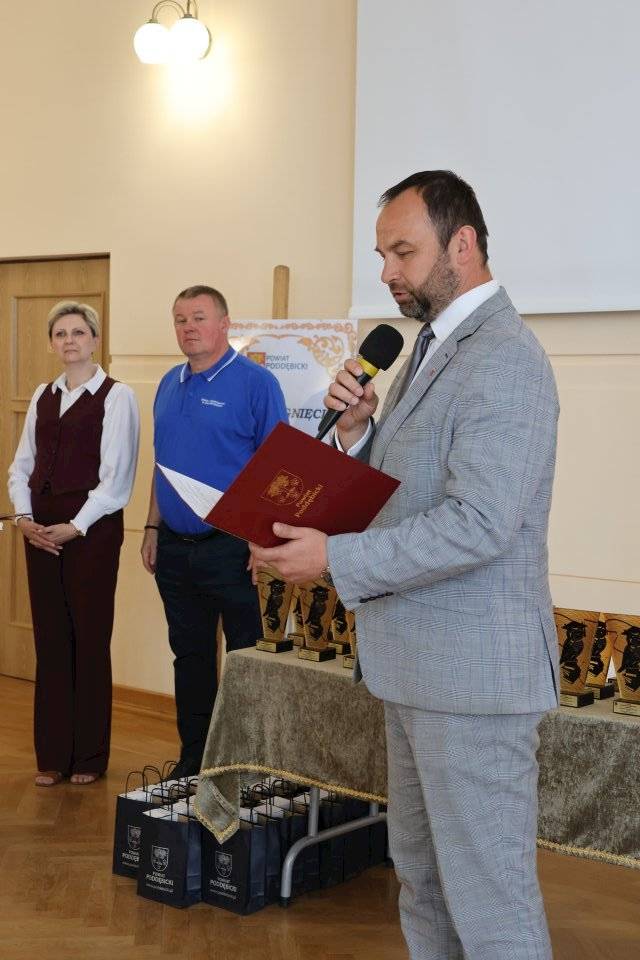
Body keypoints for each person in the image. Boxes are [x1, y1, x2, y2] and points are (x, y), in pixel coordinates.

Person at [249, 171, 559, 960]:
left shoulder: (505, 357)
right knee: (422, 884)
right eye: (382, 254)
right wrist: (359, 434)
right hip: (414, 668)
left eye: (403, 251)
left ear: (463, 244)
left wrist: (334, 555)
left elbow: (479, 524)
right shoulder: (429, 346)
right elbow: (408, 493)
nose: (387, 271)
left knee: (490, 905)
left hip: (472, 683)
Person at [141, 285, 288, 779]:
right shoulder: (168, 383)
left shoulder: (256, 383)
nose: (189, 327)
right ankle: (194, 763)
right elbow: (163, 465)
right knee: (190, 658)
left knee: (246, 662)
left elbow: (278, 470)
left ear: (224, 324)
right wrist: (151, 525)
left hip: (234, 548)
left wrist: (263, 540)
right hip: (174, 549)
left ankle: (245, 769)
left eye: (199, 317)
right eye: (180, 319)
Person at [8, 301, 140, 787]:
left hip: (91, 533)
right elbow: (21, 466)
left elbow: (116, 478)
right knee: (51, 640)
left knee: (89, 639)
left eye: (79, 332)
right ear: (51, 343)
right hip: (39, 534)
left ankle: (88, 757)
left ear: (95, 339)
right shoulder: (42, 395)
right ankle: (52, 755)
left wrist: (75, 525)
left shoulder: (117, 396)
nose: (69, 340)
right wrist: (24, 518)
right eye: (60, 333)